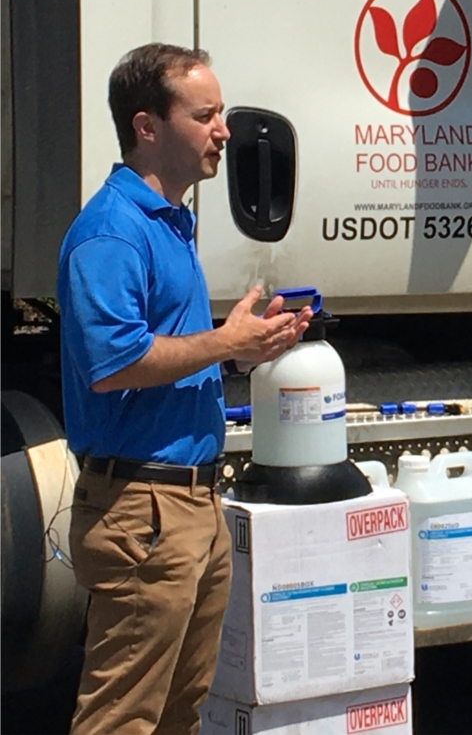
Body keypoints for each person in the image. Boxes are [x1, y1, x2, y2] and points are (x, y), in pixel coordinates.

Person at [59, 44, 311, 735]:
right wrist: (225, 341)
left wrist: (245, 347)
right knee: (122, 720)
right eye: (205, 115)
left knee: (177, 716)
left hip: (188, 503)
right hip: (144, 512)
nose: (224, 130)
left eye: (221, 113)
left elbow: (168, 357)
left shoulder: (170, 224)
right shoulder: (112, 232)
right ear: (148, 127)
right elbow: (112, 364)